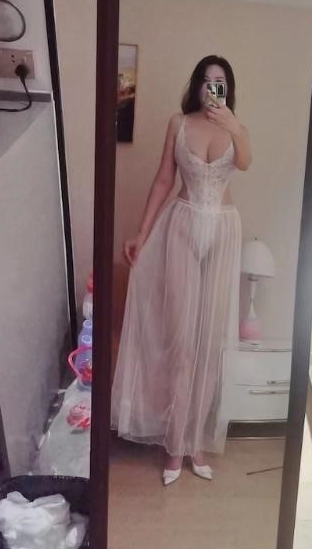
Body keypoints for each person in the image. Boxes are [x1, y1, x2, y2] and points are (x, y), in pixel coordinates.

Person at [111, 55, 251, 486]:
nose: (212, 88)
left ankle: (197, 441)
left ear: (228, 88)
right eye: (207, 81)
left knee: (210, 343)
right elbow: (162, 181)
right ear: (196, 85)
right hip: (183, 227)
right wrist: (141, 233)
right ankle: (174, 444)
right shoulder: (178, 123)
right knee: (182, 341)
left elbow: (245, 163)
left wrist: (233, 126)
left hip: (224, 232)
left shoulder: (237, 128)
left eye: (220, 82)